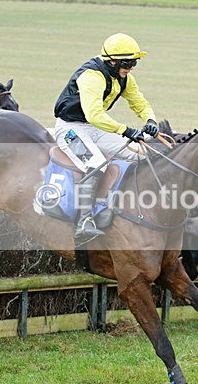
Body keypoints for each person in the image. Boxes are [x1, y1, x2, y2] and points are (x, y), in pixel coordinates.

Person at [53, 33, 160, 241]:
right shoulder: (92, 77)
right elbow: (94, 114)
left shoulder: (124, 78)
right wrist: (125, 130)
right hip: (70, 130)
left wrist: (150, 120)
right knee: (97, 164)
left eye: (134, 63)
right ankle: (84, 222)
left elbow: (139, 102)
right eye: (127, 63)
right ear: (111, 62)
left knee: (141, 154)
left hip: (95, 128)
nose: (130, 68)